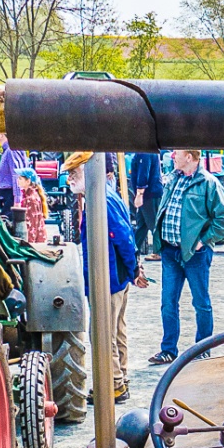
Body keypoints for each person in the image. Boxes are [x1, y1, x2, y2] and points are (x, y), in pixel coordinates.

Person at [148, 149, 224, 365]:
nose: (172, 155)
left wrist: (203, 241)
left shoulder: (209, 183)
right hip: (169, 251)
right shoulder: (173, 179)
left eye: (177, 152)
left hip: (195, 255)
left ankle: (203, 349)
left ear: (189, 157)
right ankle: (168, 350)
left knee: (201, 303)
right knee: (168, 302)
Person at [67, 152, 140, 403]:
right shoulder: (105, 195)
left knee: (102, 334)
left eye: (73, 174)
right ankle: (120, 378)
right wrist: (133, 271)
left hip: (108, 280)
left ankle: (114, 385)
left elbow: (123, 238)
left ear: (90, 173)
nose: (69, 179)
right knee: (117, 331)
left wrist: (133, 269)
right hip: (116, 278)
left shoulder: (102, 201)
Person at [129, 150, 163, 256]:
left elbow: (143, 173)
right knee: (142, 224)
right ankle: (134, 249)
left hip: (148, 195)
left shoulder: (144, 152)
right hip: (150, 193)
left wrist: (139, 194)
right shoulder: (148, 151)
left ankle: (159, 252)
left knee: (153, 224)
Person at [0, 135, 28, 218]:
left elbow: (17, 174)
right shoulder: (8, 150)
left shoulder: (11, 150)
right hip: (7, 195)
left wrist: (17, 200)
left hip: (11, 195)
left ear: (2, 135)